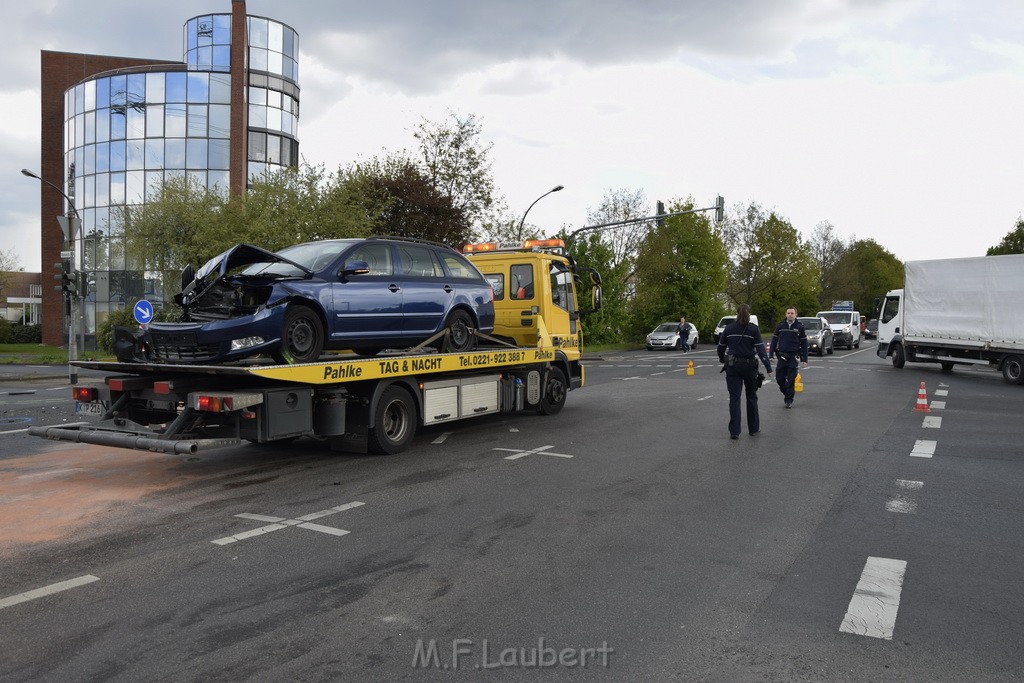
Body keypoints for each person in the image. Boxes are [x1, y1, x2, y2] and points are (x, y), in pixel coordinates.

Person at [717, 304, 774, 439]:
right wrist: (768, 368)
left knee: (734, 398)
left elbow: (720, 347)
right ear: (749, 314)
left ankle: (734, 431)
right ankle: (753, 428)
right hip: (749, 367)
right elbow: (761, 350)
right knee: (751, 397)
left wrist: (722, 359)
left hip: (733, 367)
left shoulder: (729, 328)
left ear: (737, 313)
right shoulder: (753, 329)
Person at [770, 306, 809, 409]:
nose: (790, 315)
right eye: (788, 313)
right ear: (785, 314)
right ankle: (787, 394)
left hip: (793, 357)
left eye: (792, 313)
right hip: (782, 356)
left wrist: (804, 359)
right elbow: (774, 341)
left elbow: (804, 344)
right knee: (779, 379)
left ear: (796, 315)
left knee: (791, 380)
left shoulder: (800, 327)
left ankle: (789, 400)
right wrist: (771, 355)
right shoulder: (780, 326)